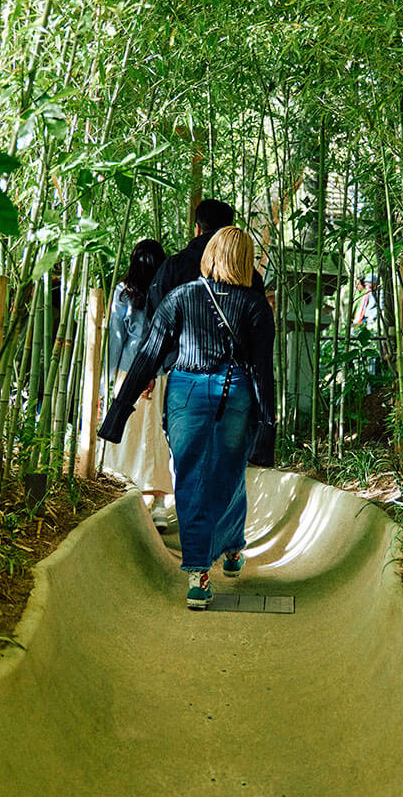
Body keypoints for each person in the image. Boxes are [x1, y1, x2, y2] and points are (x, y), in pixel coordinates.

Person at [99, 227, 276, 610]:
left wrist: (118, 412)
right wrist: (268, 428)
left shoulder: (180, 296)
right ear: (246, 261)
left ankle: (200, 574)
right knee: (229, 475)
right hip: (237, 394)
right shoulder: (257, 306)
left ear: (209, 254)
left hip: (185, 394)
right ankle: (230, 549)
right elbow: (263, 371)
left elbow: (148, 357)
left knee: (192, 477)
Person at [102, 239, 174, 532]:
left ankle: (124, 496)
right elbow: (173, 338)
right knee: (154, 434)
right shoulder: (169, 293)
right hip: (158, 375)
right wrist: (161, 370)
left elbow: (116, 339)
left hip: (128, 373)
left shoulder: (123, 293)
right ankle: (157, 505)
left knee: (127, 434)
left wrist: (108, 380)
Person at [146, 198, 266, 315]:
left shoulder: (174, 267)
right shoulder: (246, 273)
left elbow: (155, 311)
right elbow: (261, 322)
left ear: (197, 229)